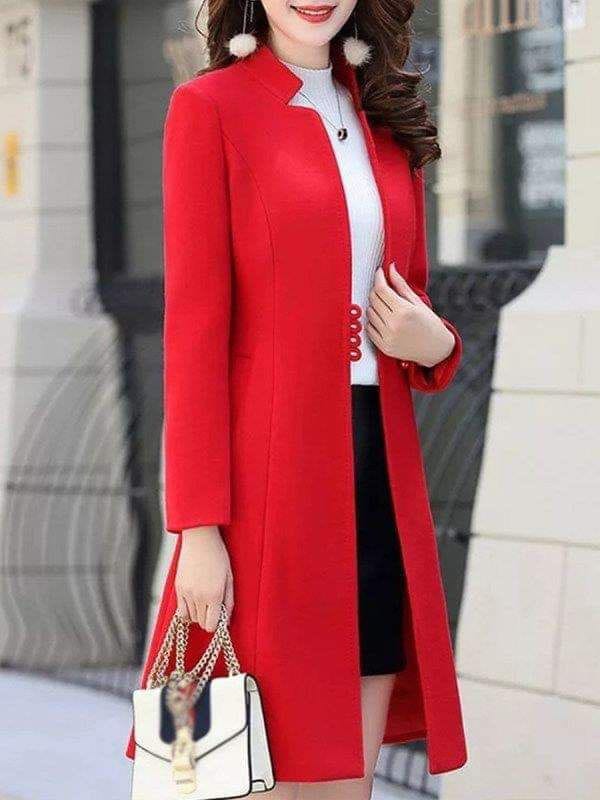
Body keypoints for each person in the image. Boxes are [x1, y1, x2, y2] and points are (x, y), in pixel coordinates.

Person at [126, 0, 467, 797]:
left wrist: (440, 344)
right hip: (265, 487)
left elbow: (404, 301)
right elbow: (196, 335)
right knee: (222, 772)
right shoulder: (209, 109)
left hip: (374, 478)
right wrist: (199, 528)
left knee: (348, 777)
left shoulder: (384, 116)